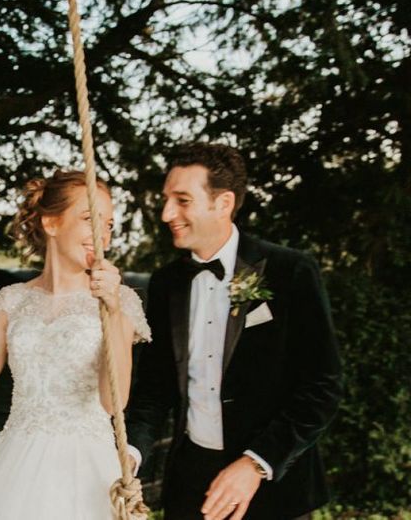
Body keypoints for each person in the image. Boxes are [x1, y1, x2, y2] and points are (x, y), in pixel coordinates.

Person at [126, 143, 342, 520]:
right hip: (190, 485)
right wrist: (131, 453)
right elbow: (154, 390)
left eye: (182, 200)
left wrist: (256, 463)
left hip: (273, 486)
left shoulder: (290, 272)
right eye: (166, 200)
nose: (166, 214)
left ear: (223, 203)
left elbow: (322, 386)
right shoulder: (165, 284)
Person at [0, 170, 150, 519]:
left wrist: (111, 312)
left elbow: (114, 402)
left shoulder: (119, 300)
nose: (102, 234)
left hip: (86, 469)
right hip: (13, 464)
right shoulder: (12, 300)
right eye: (89, 219)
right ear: (51, 224)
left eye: (109, 224)